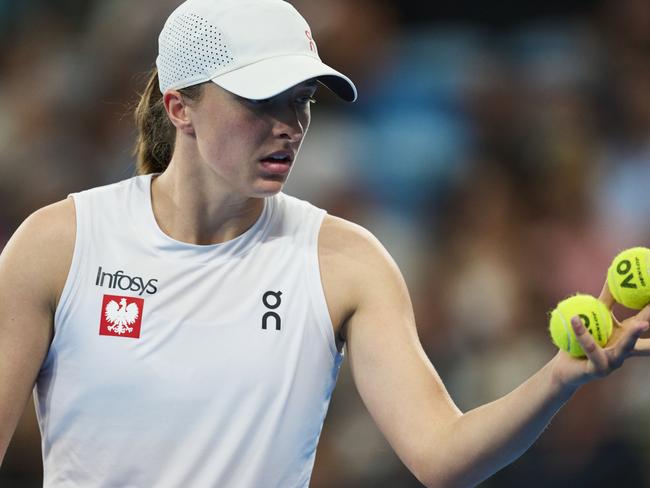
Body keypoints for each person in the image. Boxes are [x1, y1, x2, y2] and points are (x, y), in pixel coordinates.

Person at [1, 0, 649, 486]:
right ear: (179, 107)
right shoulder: (58, 246)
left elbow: (442, 455)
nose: (290, 126)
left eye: (303, 100)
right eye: (263, 101)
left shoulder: (347, 262)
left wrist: (560, 379)